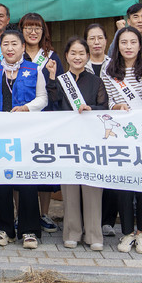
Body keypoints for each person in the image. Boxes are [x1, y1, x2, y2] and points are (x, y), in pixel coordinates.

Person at [0, 30, 48, 249]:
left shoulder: (34, 69)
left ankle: (29, 230)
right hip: (0, 132)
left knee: (27, 180)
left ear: (22, 47)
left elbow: (43, 98)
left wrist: (27, 108)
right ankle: (3, 228)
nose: (10, 48)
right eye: (6, 44)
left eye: (14, 44)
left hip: (26, 132)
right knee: (3, 180)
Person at [47, 36, 109, 250]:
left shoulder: (95, 81)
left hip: (91, 141)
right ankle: (72, 231)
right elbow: (53, 105)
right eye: (73, 53)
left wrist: (91, 109)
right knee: (70, 187)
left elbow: (104, 107)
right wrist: (52, 78)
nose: (77, 57)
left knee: (92, 186)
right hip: (68, 140)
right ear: (66, 56)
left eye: (81, 53)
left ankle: (94, 234)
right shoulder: (61, 79)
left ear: (88, 55)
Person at [102, 26, 142, 254]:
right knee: (123, 185)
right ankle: (126, 233)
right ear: (117, 46)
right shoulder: (109, 71)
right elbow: (105, 102)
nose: (128, 47)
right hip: (122, 136)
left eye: (133, 42)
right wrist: (116, 106)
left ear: (140, 45)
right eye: (123, 42)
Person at [18, 12, 62, 234]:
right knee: (20, 167)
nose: (33, 32)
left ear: (43, 31)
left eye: (37, 28)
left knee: (44, 167)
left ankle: (43, 213)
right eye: (28, 27)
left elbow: (60, 88)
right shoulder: (16, 53)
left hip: (46, 120)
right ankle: (20, 215)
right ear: (21, 30)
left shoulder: (52, 57)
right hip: (19, 120)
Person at [84, 23, 116, 236]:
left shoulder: (115, 64)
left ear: (106, 41)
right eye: (91, 38)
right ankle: (89, 220)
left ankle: (107, 221)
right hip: (86, 127)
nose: (96, 42)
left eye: (100, 38)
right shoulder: (79, 64)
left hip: (111, 126)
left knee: (110, 171)